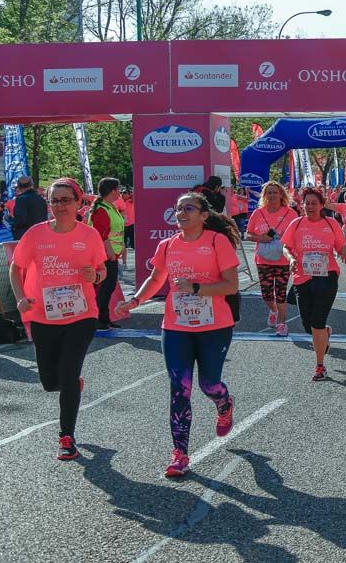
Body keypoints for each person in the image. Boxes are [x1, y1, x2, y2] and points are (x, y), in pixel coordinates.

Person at [116, 192, 240, 478]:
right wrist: (135, 301)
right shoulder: (168, 245)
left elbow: (231, 285)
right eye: (178, 209)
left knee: (209, 384)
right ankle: (180, 453)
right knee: (179, 387)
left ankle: (224, 403)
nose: (181, 213)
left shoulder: (216, 242)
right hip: (176, 327)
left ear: (204, 215)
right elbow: (156, 278)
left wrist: (197, 288)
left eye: (189, 208)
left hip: (214, 326)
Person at [10, 178, 106, 461]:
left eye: (65, 200)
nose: (60, 206)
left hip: (82, 315)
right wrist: (20, 297)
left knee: (67, 373)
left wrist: (96, 276)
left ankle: (66, 437)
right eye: (54, 200)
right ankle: (71, 383)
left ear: (78, 203)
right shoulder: (36, 234)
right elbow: (16, 268)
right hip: (44, 315)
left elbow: (102, 269)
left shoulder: (89, 235)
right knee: (50, 382)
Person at [282, 188, 346, 381]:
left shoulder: (331, 223)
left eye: (314, 203)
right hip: (302, 278)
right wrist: (291, 259)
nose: (310, 206)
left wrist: (345, 249)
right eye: (307, 203)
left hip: (327, 276)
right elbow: (286, 247)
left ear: (321, 205)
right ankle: (325, 333)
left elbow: (341, 245)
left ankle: (320, 366)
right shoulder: (296, 224)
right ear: (303, 205)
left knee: (317, 322)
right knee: (308, 326)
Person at [245, 182, 297, 336]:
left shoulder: (290, 213)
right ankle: (274, 310)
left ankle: (282, 323)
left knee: (281, 293)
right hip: (263, 259)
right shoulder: (258, 213)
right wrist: (261, 238)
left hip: (283, 260)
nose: (272, 195)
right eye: (269, 193)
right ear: (264, 195)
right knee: (266, 294)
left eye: (275, 192)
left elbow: (297, 234)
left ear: (281, 195)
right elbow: (248, 234)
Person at [87, 177, 125, 330]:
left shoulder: (109, 207)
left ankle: (104, 319)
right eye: (118, 189)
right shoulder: (102, 209)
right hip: (104, 256)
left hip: (111, 254)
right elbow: (101, 233)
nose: (120, 192)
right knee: (104, 288)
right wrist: (110, 251)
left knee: (108, 288)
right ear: (112, 190)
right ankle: (97, 319)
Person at [10, 176, 48, 240]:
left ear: (19, 186)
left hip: (26, 236)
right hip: (40, 234)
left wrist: (13, 226)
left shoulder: (21, 199)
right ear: (32, 185)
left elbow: (20, 220)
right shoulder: (41, 199)